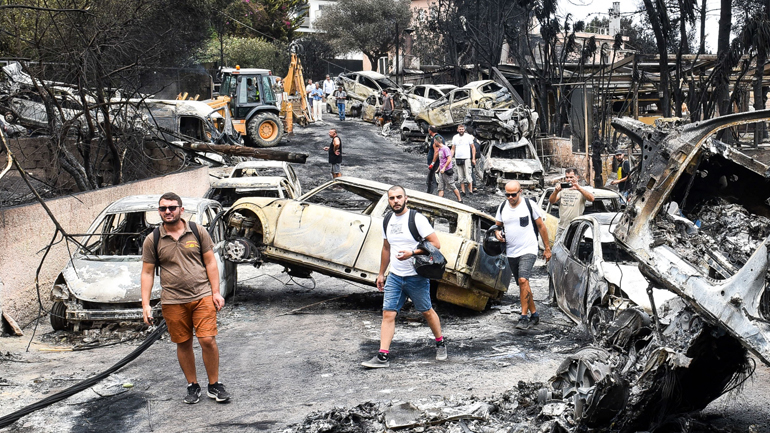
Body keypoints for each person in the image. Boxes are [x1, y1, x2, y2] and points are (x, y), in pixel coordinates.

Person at [141, 193, 230, 404]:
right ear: (159, 212)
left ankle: (214, 385)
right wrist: (145, 304)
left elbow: (210, 263)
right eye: (163, 209)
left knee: (207, 339)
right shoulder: (152, 240)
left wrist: (216, 292)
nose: (167, 212)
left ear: (181, 210)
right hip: (172, 301)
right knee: (183, 342)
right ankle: (193, 385)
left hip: (202, 296)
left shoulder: (197, 232)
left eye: (172, 207)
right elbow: (146, 273)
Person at [362, 185, 446, 368]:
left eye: (399, 197)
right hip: (395, 276)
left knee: (426, 311)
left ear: (406, 198)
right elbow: (386, 248)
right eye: (392, 198)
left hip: (416, 276)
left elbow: (436, 244)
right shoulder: (387, 220)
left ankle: (440, 342)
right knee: (388, 313)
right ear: (389, 201)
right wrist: (381, 273)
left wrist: (413, 253)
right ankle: (382, 356)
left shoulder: (417, 219)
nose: (396, 201)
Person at [494, 181, 551, 330]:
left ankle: (523, 317)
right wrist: (497, 233)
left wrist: (547, 248)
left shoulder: (528, 204)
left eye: (513, 194)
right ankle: (535, 314)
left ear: (520, 192)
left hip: (528, 249)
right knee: (523, 284)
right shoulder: (502, 207)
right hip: (511, 251)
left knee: (523, 279)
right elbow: (497, 226)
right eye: (507, 195)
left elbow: (541, 226)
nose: (510, 197)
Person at [548, 168, 595, 241]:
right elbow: (551, 201)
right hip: (562, 227)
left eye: (571, 177)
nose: (569, 179)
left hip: (576, 228)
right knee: (557, 250)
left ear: (577, 177)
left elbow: (591, 199)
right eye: (567, 177)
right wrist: (556, 191)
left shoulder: (581, 190)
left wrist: (579, 188)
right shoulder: (562, 190)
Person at [431, 131, 463, 202]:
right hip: (441, 171)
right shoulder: (439, 149)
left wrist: (444, 168)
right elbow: (441, 160)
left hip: (447, 171)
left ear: (437, 141)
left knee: (452, 185)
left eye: (434, 142)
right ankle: (439, 201)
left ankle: (460, 199)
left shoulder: (445, 149)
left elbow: (449, 159)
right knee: (440, 187)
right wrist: (439, 169)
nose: (434, 143)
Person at [450, 125, 476, 195]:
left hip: (466, 158)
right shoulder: (455, 137)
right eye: (460, 129)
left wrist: (473, 158)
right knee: (460, 176)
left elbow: (473, 147)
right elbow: (453, 148)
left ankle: (470, 191)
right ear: (457, 130)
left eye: (462, 129)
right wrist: (450, 158)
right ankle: (463, 191)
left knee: (468, 176)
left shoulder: (468, 137)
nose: (461, 130)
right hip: (458, 158)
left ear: (464, 130)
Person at [426, 126, 443, 194]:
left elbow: (437, 151)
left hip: (436, 163)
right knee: (431, 179)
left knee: (431, 180)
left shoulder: (436, 138)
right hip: (436, 162)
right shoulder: (437, 137)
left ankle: (431, 195)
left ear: (430, 131)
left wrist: (432, 163)